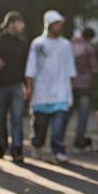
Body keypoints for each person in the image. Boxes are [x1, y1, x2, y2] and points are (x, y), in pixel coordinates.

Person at [25, 10, 76, 164]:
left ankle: (59, 151)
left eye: (60, 24)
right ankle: (37, 145)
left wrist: (70, 90)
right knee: (40, 128)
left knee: (58, 128)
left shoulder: (66, 45)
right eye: (56, 24)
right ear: (49, 25)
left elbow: (70, 69)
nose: (59, 26)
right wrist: (29, 88)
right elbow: (31, 68)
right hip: (42, 92)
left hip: (61, 92)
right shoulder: (37, 44)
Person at [0, 11, 28, 162]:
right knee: (0, 118)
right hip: (0, 86)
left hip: (16, 85)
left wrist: (26, 86)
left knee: (17, 118)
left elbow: (25, 67)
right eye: (20, 22)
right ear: (12, 23)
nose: (22, 26)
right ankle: (1, 145)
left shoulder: (22, 43)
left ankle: (17, 150)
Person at [70, 27, 98, 151]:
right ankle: (79, 140)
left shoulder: (71, 45)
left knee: (66, 113)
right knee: (83, 114)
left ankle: (58, 139)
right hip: (85, 86)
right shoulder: (89, 48)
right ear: (90, 37)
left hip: (70, 84)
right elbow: (94, 68)